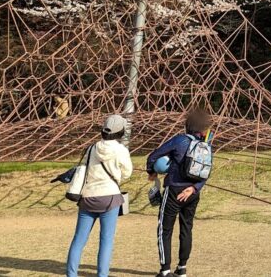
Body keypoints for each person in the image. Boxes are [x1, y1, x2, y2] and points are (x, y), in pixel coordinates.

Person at [147, 108, 214, 277]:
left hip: (174, 190)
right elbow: (206, 171)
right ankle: (182, 268)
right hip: (192, 193)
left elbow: (154, 155)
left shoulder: (179, 140)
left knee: (164, 229)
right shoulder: (207, 145)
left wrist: (151, 171)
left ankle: (165, 270)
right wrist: (194, 188)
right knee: (186, 228)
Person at [66, 114, 132, 277]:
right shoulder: (120, 150)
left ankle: (71, 274)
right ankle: (102, 275)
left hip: (88, 197)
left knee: (78, 240)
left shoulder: (92, 148)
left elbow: (85, 169)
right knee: (106, 240)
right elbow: (127, 173)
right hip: (109, 198)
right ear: (120, 131)